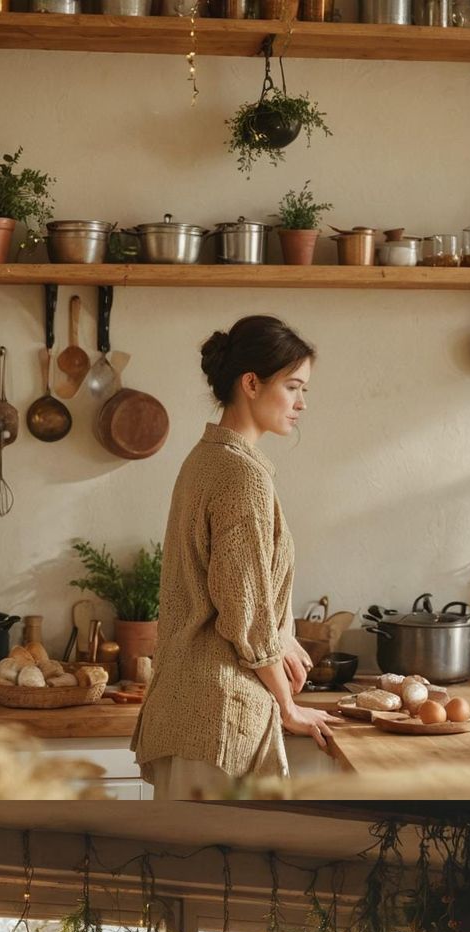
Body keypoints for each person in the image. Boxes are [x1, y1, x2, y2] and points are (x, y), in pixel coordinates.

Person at [132, 314, 336, 797]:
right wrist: (287, 705)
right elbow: (244, 612)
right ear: (251, 383)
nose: (302, 403)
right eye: (292, 387)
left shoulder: (206, 459)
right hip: (218, 717)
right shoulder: (240, 475)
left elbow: (230, 587)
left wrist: (282, 636)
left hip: (188, 710)